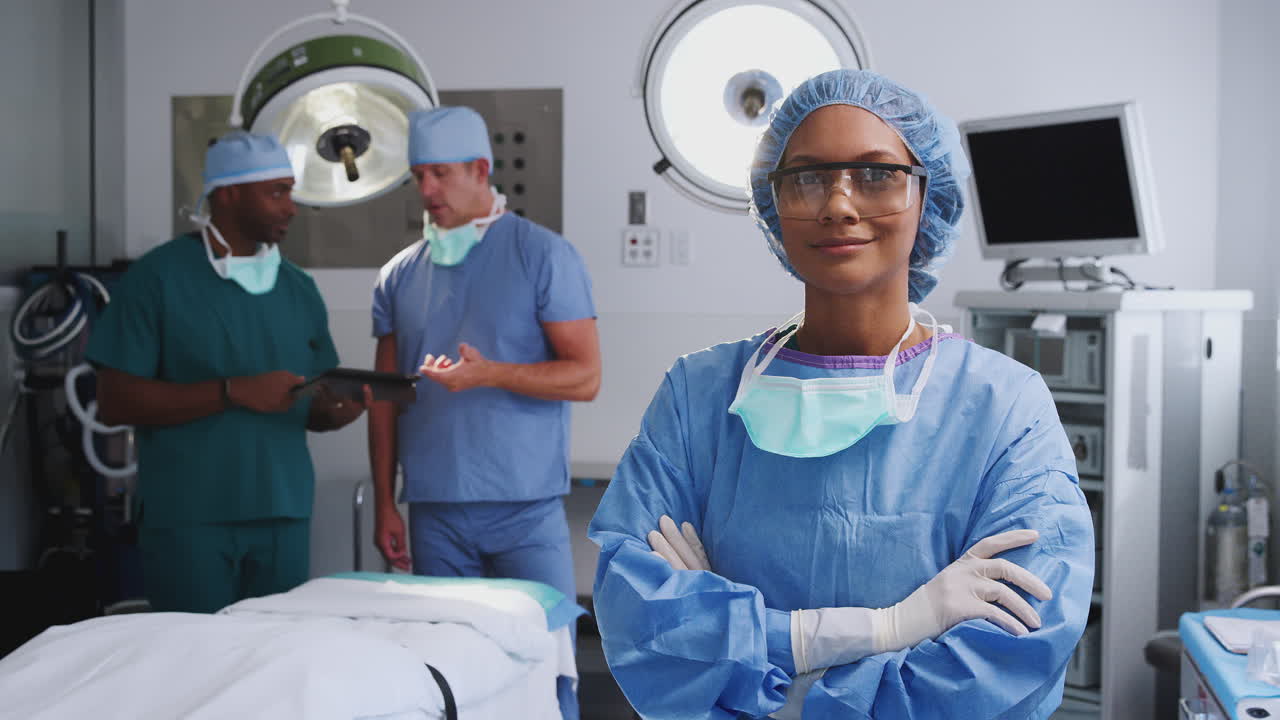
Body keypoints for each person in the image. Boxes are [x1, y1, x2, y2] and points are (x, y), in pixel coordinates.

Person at [588, 69, 1094, 719]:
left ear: (925, 195)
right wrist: (892, 627)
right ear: (773, 202)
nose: (838, 204)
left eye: (876, 174)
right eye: (807, 176)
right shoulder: (698, 398)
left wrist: (747, 657)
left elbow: (1011, 655)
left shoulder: (1003, 408)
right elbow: (640, 620)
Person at [368, 106, 600, 720]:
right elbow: (385, 396)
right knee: (447, 675)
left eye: (440, 174)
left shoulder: (542, 256)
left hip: (524, 510)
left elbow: (585, 376)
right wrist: (386, 498)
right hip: (435, 512)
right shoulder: (399, 275)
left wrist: (490, 373)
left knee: (546, 668)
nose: (427, 191)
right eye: (418, 176)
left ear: (480, 170)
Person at [87, 131, 367, 614]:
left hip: (282, 512)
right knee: (198, 663)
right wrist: (230, 392)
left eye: (291, 192)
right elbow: (116, 401)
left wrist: (338, 410)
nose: (291, 207)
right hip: (189, 516)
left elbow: (311, 404)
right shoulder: (158, 279)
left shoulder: (297, 288)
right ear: (228, 193)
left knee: (273, 663)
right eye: (275, 192)